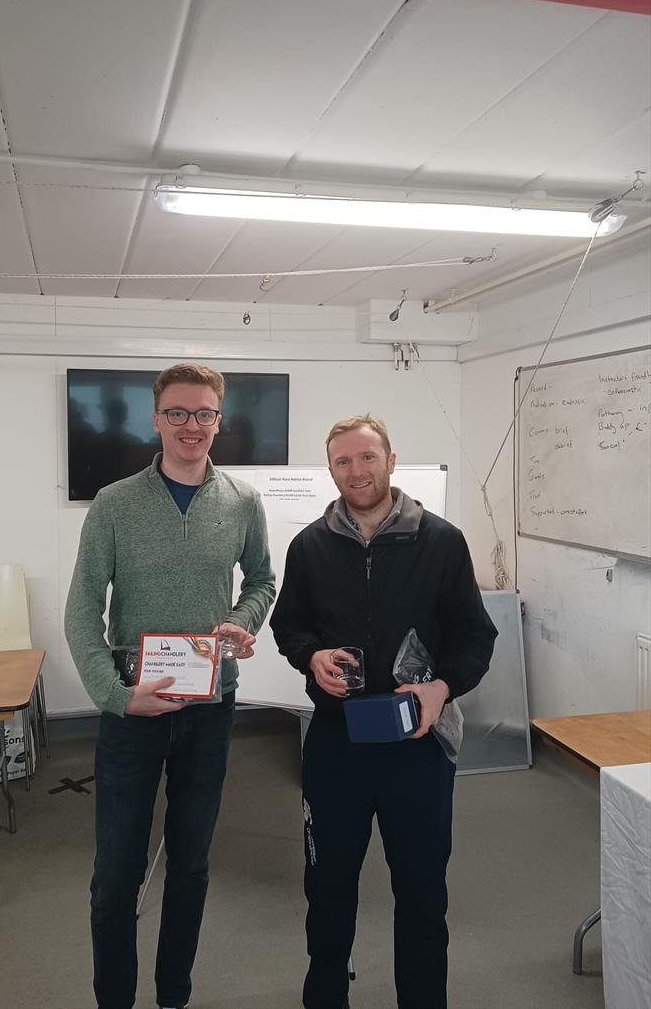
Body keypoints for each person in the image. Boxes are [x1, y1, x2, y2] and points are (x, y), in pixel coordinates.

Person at [65, 362, 275, 1009]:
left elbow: (262, 580)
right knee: (115, 878)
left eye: (204, 413)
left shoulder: (241, 500)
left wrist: (240, 624)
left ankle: (173, 997)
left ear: (221, 420)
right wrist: (115, 693)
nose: (192, 425)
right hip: (133, 713)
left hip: (211, 711)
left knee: (190, 866)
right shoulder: (115, 504)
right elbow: (81, 611)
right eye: (179, 412)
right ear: (155, 419)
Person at [270, 415, 497, 1009]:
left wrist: (441, 688)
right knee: (327, 888)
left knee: (422, 893)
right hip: (335, 743)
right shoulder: (309, 546)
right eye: (343, 462)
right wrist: (310, 656)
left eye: (367, 458)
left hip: (417, 744)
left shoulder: (441, 542)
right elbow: (288, 624)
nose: (356, 472)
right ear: (331, 470)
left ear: (391, 460)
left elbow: (475, 638)